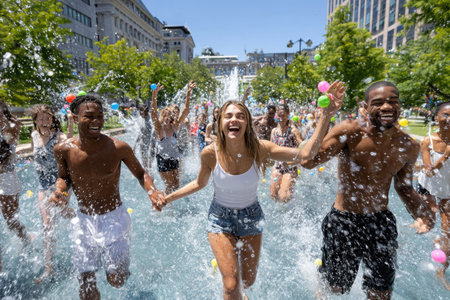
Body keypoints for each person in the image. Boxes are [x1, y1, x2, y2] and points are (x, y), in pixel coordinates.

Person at [162, 81, 345, 300]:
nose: (234, 119)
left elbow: (305, 154)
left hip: (251, 217)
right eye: (228, 116)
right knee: (230, 285)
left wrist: (325, 117)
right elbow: (199, 183)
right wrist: (168, 197)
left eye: (240, 116)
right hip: (220, 219)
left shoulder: (260, 149)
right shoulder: (210, 153)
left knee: (247, 281)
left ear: (248, 124)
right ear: (220, 123)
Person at [301, 81, 436, 299]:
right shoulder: (350, 132)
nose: (386, 107)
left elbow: (404, 188)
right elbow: (308, 162)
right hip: (344, 221)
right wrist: (325, 117)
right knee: (333, 289)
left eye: (393, 101)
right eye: (378, 102)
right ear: (365, 106)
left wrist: (423, 213)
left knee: (381, 293)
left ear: (400, 105)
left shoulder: (408, 145)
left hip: (381, 223)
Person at [49, 95, 164, 300]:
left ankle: (121, 268)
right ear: (75, 119)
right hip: (83, 221)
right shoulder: (63, 149)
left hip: (114, 219)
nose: (97, 121)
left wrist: (152, 192)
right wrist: (60, 191)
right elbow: (64, 177)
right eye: (89, 116)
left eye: (100, 116)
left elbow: (141, 174)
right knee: (85, 286)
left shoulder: (118, 147)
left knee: (116, 281)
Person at [30, 104, 75, 283]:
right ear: (35, 121)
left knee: (56, 218)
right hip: (43, 186)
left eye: (47, 118)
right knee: (49, 225)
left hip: (61, 184)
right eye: (40, 118)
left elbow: (69, 139)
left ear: (52, 119)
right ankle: (49, 268)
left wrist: (71, 121)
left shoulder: (58, 136)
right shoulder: (33, 135)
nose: (44, 121)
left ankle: (87, 222)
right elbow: (34, 152)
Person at [417, 102, 450, 289]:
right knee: (429, 222)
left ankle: (441, 272)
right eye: (445, 115)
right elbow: (429, 171)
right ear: (436, 117)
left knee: (449, 234)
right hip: (428, 187)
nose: (449, 119)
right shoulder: (427, 141)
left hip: (448, 191)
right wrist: (445, 156)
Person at [0, 100, 32, 273]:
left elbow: (9, 140)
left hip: (6, 179)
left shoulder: (12, 124)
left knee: (11, 221)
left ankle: (25, 239)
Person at [150, 81, 195, 194]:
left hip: (174, 157)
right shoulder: (159, 129)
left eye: (168, 115)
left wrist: (188, 93)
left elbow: (186, 110)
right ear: (162, 117)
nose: (166, 117)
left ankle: (166, 200)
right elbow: (153, 114)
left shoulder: (175, 126)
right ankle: (163, 204)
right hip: (162, 159)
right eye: (164, 115)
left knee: (176, 185)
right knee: (169, 185)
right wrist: (154, 95)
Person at [269, 104, 303, 203]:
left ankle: (293, 208)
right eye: (279, 115)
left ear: (288, 115)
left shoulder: (293, 131)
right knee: (273, 195)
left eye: (283, 115)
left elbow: (303, 147)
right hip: (277, 165)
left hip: (290, 166)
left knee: (284, 197)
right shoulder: (274, 131)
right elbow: (270, 148)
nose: (281, 118)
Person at [133, 104, 156, 172]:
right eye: (140, 112)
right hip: (142, 145)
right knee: (145, 166)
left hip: (151, 145)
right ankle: (146, 180)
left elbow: (154, 133)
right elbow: (140, 133)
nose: (140, 113)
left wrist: (151, 144)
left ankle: (152, 181)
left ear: (146, 111)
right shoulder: (140, 119)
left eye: (142, 112)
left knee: (150, 166)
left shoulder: (151, 120)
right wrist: (135, 145)